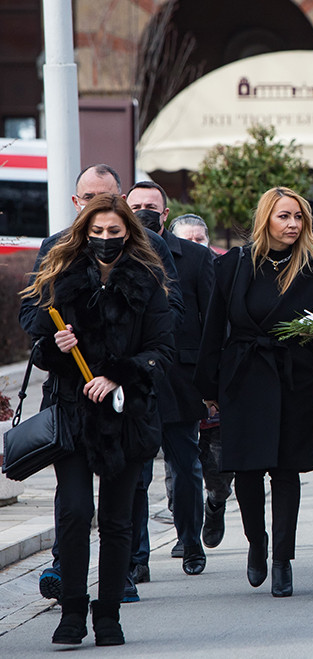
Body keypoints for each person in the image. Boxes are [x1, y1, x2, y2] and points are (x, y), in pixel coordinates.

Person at [18, 163, 182, 603]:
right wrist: (58, 341)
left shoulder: (149, 257)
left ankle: (120, 583)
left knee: (120, 510)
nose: (104, 231)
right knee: (74, 508)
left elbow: (167, 326)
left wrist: (121, 371)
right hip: (71, 404)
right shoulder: (58, 255)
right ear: (78, 206)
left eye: (107, 201)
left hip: (125, 407)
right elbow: (34, 322)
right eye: (89, 201)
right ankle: (69, 592)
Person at [195, 186, 313, 598]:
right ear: (265, 220)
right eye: (284, 216)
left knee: (286, 471)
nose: (293, 224)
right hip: (244, 376)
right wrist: (208, 386)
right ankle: (257, 542)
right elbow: (213, 327)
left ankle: (282, 559)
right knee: (248, 470)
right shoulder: (235, 265)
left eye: (299, 217)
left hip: (294, 377)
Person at [125, 181, 213, 583]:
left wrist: (211, 385)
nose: (143, 211)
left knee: (186, 466)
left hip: (180, 379)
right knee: (136, 473)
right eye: (136, 206)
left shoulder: (195, 257)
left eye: (151, 206)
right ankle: (137, 557)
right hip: (134, 380)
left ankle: (191, 541)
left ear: (165, 214)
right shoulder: (117, 254)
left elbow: (211, 322)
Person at [170, 213, 234, 548]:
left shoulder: (225, 269)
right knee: (180, 466)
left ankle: (216, 504)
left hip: (216, 389)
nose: (195, 245)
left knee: (219, 468)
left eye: (200, 239)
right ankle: (186, 534)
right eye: (188, 240)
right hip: (181, 386)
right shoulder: (168, 270)